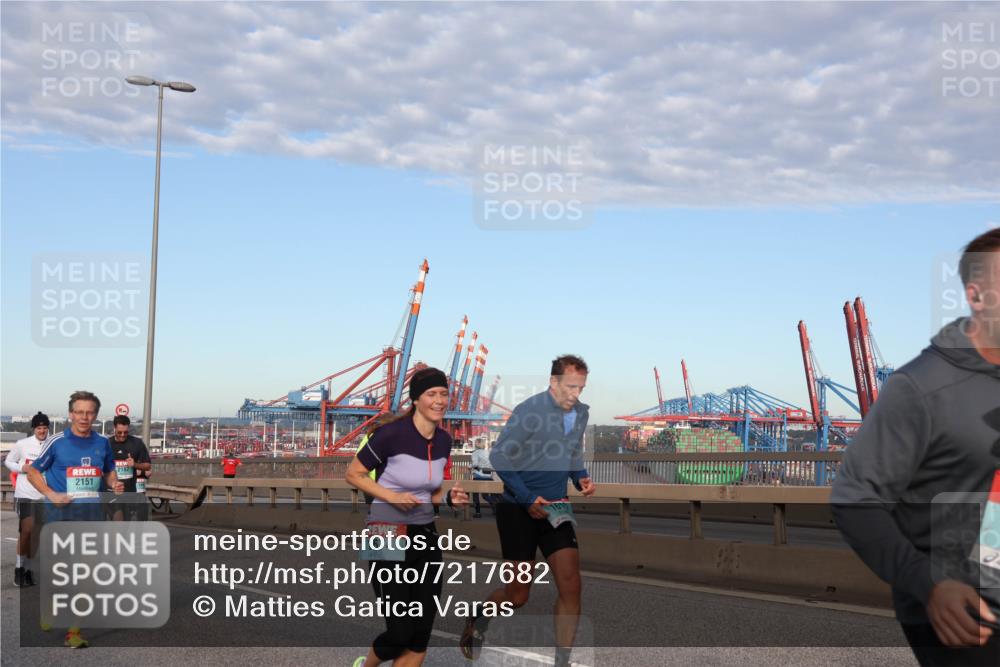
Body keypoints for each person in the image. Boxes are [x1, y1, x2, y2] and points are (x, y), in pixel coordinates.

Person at [832, 228, 1000, 666]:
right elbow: (855, 499)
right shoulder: (920, 387)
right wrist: (929, 585)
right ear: (977, 296)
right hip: (966, 613)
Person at [461, 355, 596, 667]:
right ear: (553, 382)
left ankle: (562, 661)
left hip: (556, 508)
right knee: (518, 595)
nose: (576, 394)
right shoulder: (529, 411)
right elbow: (500, 458)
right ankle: (479, 619)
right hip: (517, 509)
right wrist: (527, 498)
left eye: (581, 387)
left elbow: (572, 453)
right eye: (571, 386)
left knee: (571, 582)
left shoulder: (579, 414)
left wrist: (580, 477)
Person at [345, 367, 469, 667]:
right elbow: (353, 474)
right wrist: (392, 496)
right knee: (400, 632)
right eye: (431, 394)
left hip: (425, 535)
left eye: (443, 394)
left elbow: (433, 487)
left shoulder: (443, 441)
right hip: (385, 532)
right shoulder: (390, 435)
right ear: (415, 400)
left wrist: (450, 499)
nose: (439, 400)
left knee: (420, 633)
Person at [27, 390, 123, 649]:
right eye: (79, 412)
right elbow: (33, 472)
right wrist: (51, 494)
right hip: (60, 517)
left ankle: (74, 631)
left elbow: (109, 471)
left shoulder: (102, 442)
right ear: (71, 414)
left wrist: (114, 484)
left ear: (95, 415)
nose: (84, 417)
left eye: (89, 412)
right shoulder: (57, 442)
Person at [5, 412, 50, 587]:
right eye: (39, 428)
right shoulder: (22, 444)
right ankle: (19, 567)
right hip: (25, 493)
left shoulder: (52, 444)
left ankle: (30, 570)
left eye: (45, 428)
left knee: (36, 535)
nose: (42, 431)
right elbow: (8, 461)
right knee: (27, 531)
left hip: (44, 495)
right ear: (34, 429)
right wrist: (21, 467)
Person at [108, 415, 152, 520]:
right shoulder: (107, 444)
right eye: (119, 432)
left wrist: (135, 465)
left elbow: (147, 465)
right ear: (114, 428)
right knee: (118, 521)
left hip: (129, 492)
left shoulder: (137, 443)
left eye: (125, 432)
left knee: (125, 525)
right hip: (111, 492)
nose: (123, 435)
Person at [470, 439, 495, 518]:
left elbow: (475, 464)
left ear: (476, 444)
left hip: (479, 476)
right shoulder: (488, 453)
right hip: (489, 477)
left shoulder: (475, 453)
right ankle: (495, 507)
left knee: (475, 493)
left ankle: (478, 512)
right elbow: (491, 466)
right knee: (485, 495)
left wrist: (469, 466)